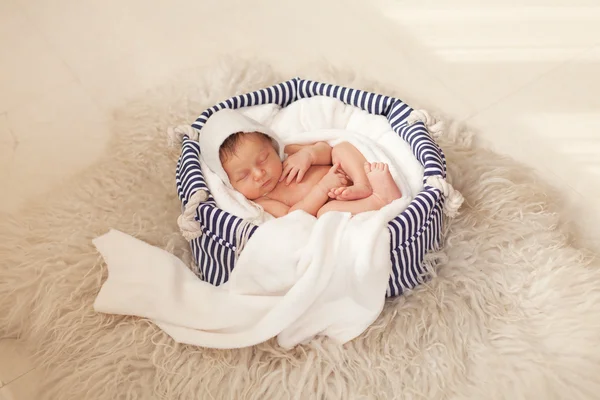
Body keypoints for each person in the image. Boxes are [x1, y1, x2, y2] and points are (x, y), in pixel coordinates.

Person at [219, 131, 402, 218]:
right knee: (326, 213)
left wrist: (308, 155)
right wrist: (323, 188)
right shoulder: (263, 201)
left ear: (273, 148)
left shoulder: (290, 154)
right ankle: (378, 200)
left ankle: (363, 184)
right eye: (243, 176)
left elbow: (326, 149)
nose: (259, 174)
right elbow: (293, 215)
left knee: (341, 148)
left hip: (346, 174)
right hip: (334, 200)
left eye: (263, 159)